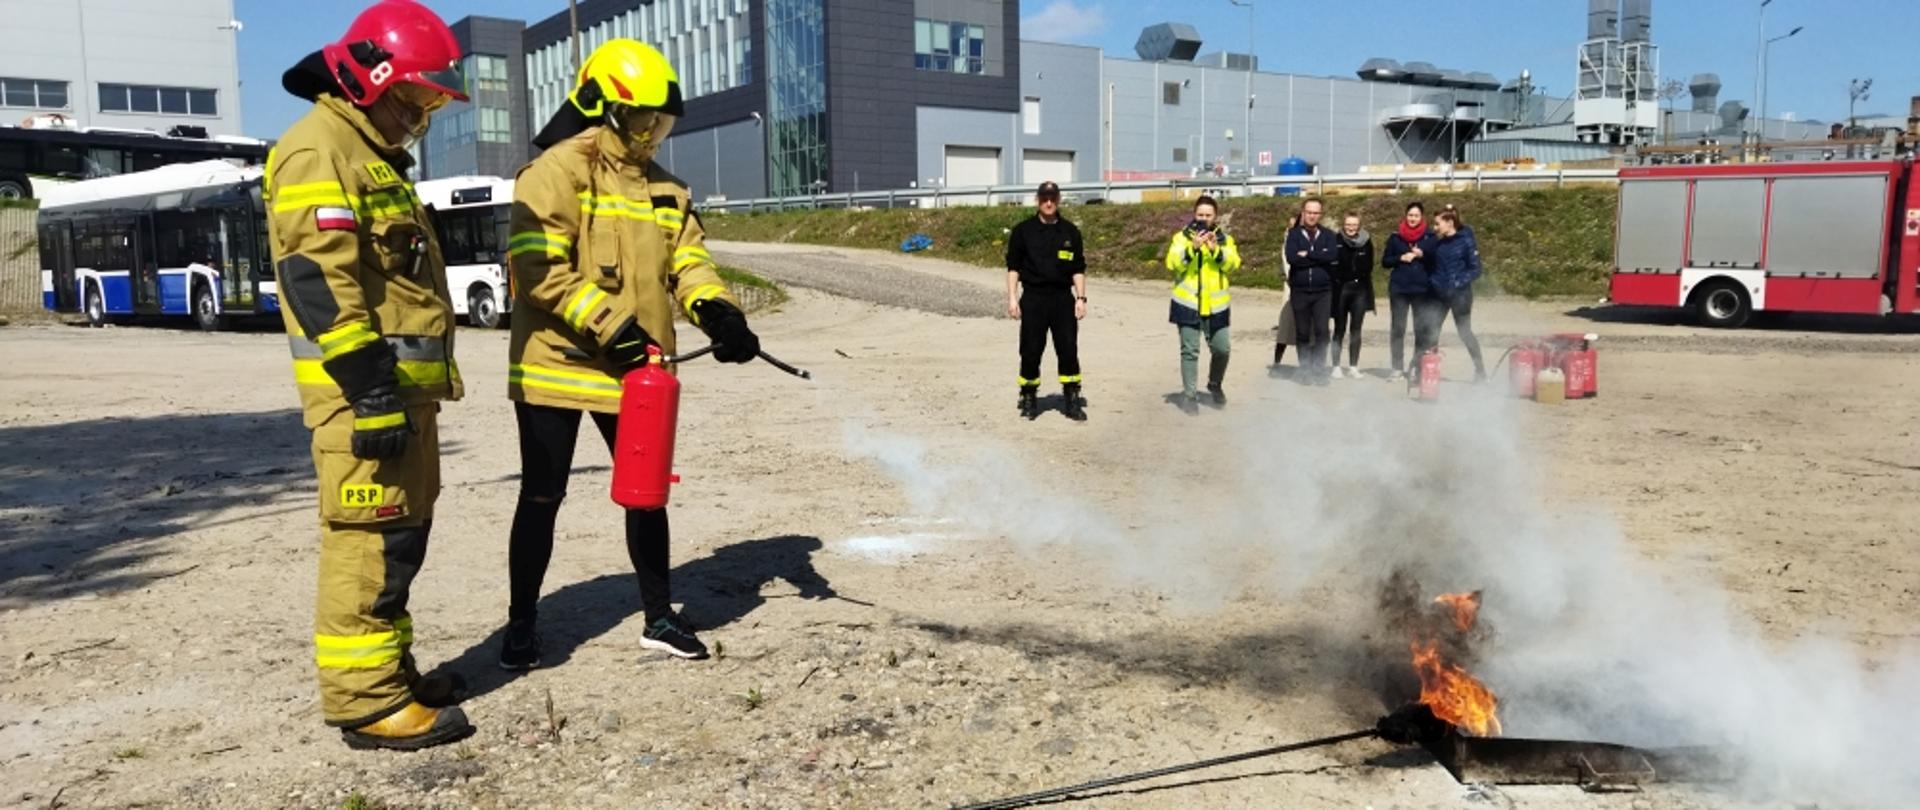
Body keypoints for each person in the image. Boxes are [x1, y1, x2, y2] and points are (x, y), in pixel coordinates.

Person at [500, 38, 760, 666]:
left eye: (661, 122)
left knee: (647, 494)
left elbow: (689, 263)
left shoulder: (667, 188)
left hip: (638, 373)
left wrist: (717, 312)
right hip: (556, 368)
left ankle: (658, 617)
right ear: (605, 109)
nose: (653, 134)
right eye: (642, 119)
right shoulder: (557, 172)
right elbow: (538, 268)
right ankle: (521, 624)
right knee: (542, 495)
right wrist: (610, 324)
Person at [266, 0, 473, 750]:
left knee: (397, 543)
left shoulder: (364, 154)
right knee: (366, 541)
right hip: (364, 399)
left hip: (396, 397)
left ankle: (392, 673)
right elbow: (315, 276)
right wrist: (371, 386)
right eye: (413, 99)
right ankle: (365, 702)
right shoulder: (318, 149)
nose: (419, 116)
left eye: (429, 104)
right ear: (370, 78)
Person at [1005, 180, 1088, 421]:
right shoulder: (1023, 231)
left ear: (1058, 199)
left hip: (1062, 299)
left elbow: (1078, 269)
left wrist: (1081, 298)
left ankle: (1072, 398)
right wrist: (1012, 299)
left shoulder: (1070, 232)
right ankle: (1029, 397)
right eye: (1044, 198)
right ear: (1037, 200)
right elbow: (1013, 268)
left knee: (1068, 349)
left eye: (1052, 198)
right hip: (1033, 299)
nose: (1048, 202)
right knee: (1030, 350)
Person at [1165, 195, 1239, 412]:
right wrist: (1193, 249)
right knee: (1190, 351)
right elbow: (1172, 263)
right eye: (1200, 215)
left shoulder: (1225, 239)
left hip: (1217, 307)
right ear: (1194, 215)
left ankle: (1215, 383)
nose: (1204, 219)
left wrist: (1216, 250)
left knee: (1222, 349)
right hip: (1187, 304)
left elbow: (1233, 264)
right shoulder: (1181, 238)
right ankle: (1190, 396)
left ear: (1215, 217)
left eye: (1208, 215)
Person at [1284, 198, 1340, 385]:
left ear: (1320, 214)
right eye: (1309, 212)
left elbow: (1331, 255)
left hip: (1323, 291)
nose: (1312, 216)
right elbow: (1292, 258)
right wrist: (1319, 257)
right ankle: (1305, 369)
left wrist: (1307, 254)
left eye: (1316, 212)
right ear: (1303, 212)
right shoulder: (1293, 235)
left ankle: (1318, 368)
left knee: (1322, 331)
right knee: (1302, 332)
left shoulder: (1329, 235)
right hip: (1300, 290)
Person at [1381, 201, 1439, 379]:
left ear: (1422, 217)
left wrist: (1423, 254)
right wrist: (1400, 257)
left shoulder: (1431, 237)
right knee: (1398, 329)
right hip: (1399, 289)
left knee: (1420, 329)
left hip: (1422, 289)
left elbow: (1436, 261)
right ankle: (1397, 367)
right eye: (1410, 215)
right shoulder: (1395, 237)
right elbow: (1385, 261)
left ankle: (1416, 367)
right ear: (1405, 216)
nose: (1413, 218)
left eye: (1416, 215)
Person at [1430, 209, 1487, 382]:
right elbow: (1435, 268)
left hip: (1460, 295)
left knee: (1464, 332)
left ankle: (1480, 371)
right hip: (1440, 294)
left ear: (1449, 222)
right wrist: (1434, 281)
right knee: (1432, 331)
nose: (1435, 227)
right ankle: (1430, 370)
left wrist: (1458, 282)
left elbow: (1476, 269)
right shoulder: (1438, 244)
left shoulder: (1466, 242)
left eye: (1437, 223)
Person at [1330, 213, 1375, 379]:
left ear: (1359, 225)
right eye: (1348, 224)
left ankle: (1353, 366)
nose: (1351, 228)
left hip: (1360, 290)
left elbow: (1370, 264)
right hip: (1341, 289)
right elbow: (1332, 264)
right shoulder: (1336, 240)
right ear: (1343, 224)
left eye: (1354, 225)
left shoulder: (1366, 241)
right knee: (1339, 328)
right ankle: (1335, 366)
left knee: (1356, 329)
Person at [1270, 213, 1297, 369]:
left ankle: (1309, 363)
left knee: (1306, 327)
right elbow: (1286, 263)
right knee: (1285, 325)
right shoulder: (1287, 241)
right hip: (1290, 286)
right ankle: (1277, 361)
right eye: (1290, 225)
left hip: (1304, 286)